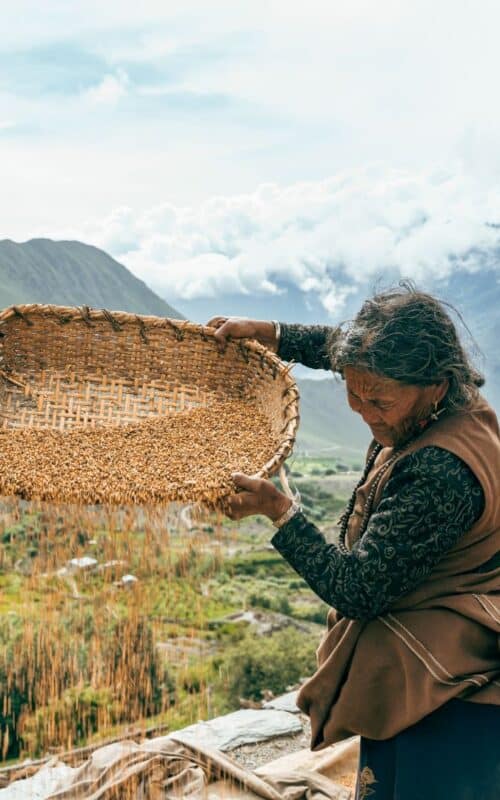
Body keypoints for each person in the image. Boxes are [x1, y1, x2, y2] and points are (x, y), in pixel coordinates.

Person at [208, 284, 500, 800]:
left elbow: (359, 587)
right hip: (434, 662)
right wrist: (272, 334)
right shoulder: (434, 403)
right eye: (354, 393)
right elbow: (343, 347)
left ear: (435, 384)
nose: (365, 410)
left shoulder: (440, 469)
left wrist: (279, 511)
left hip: (449, 682)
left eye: (379, 400)